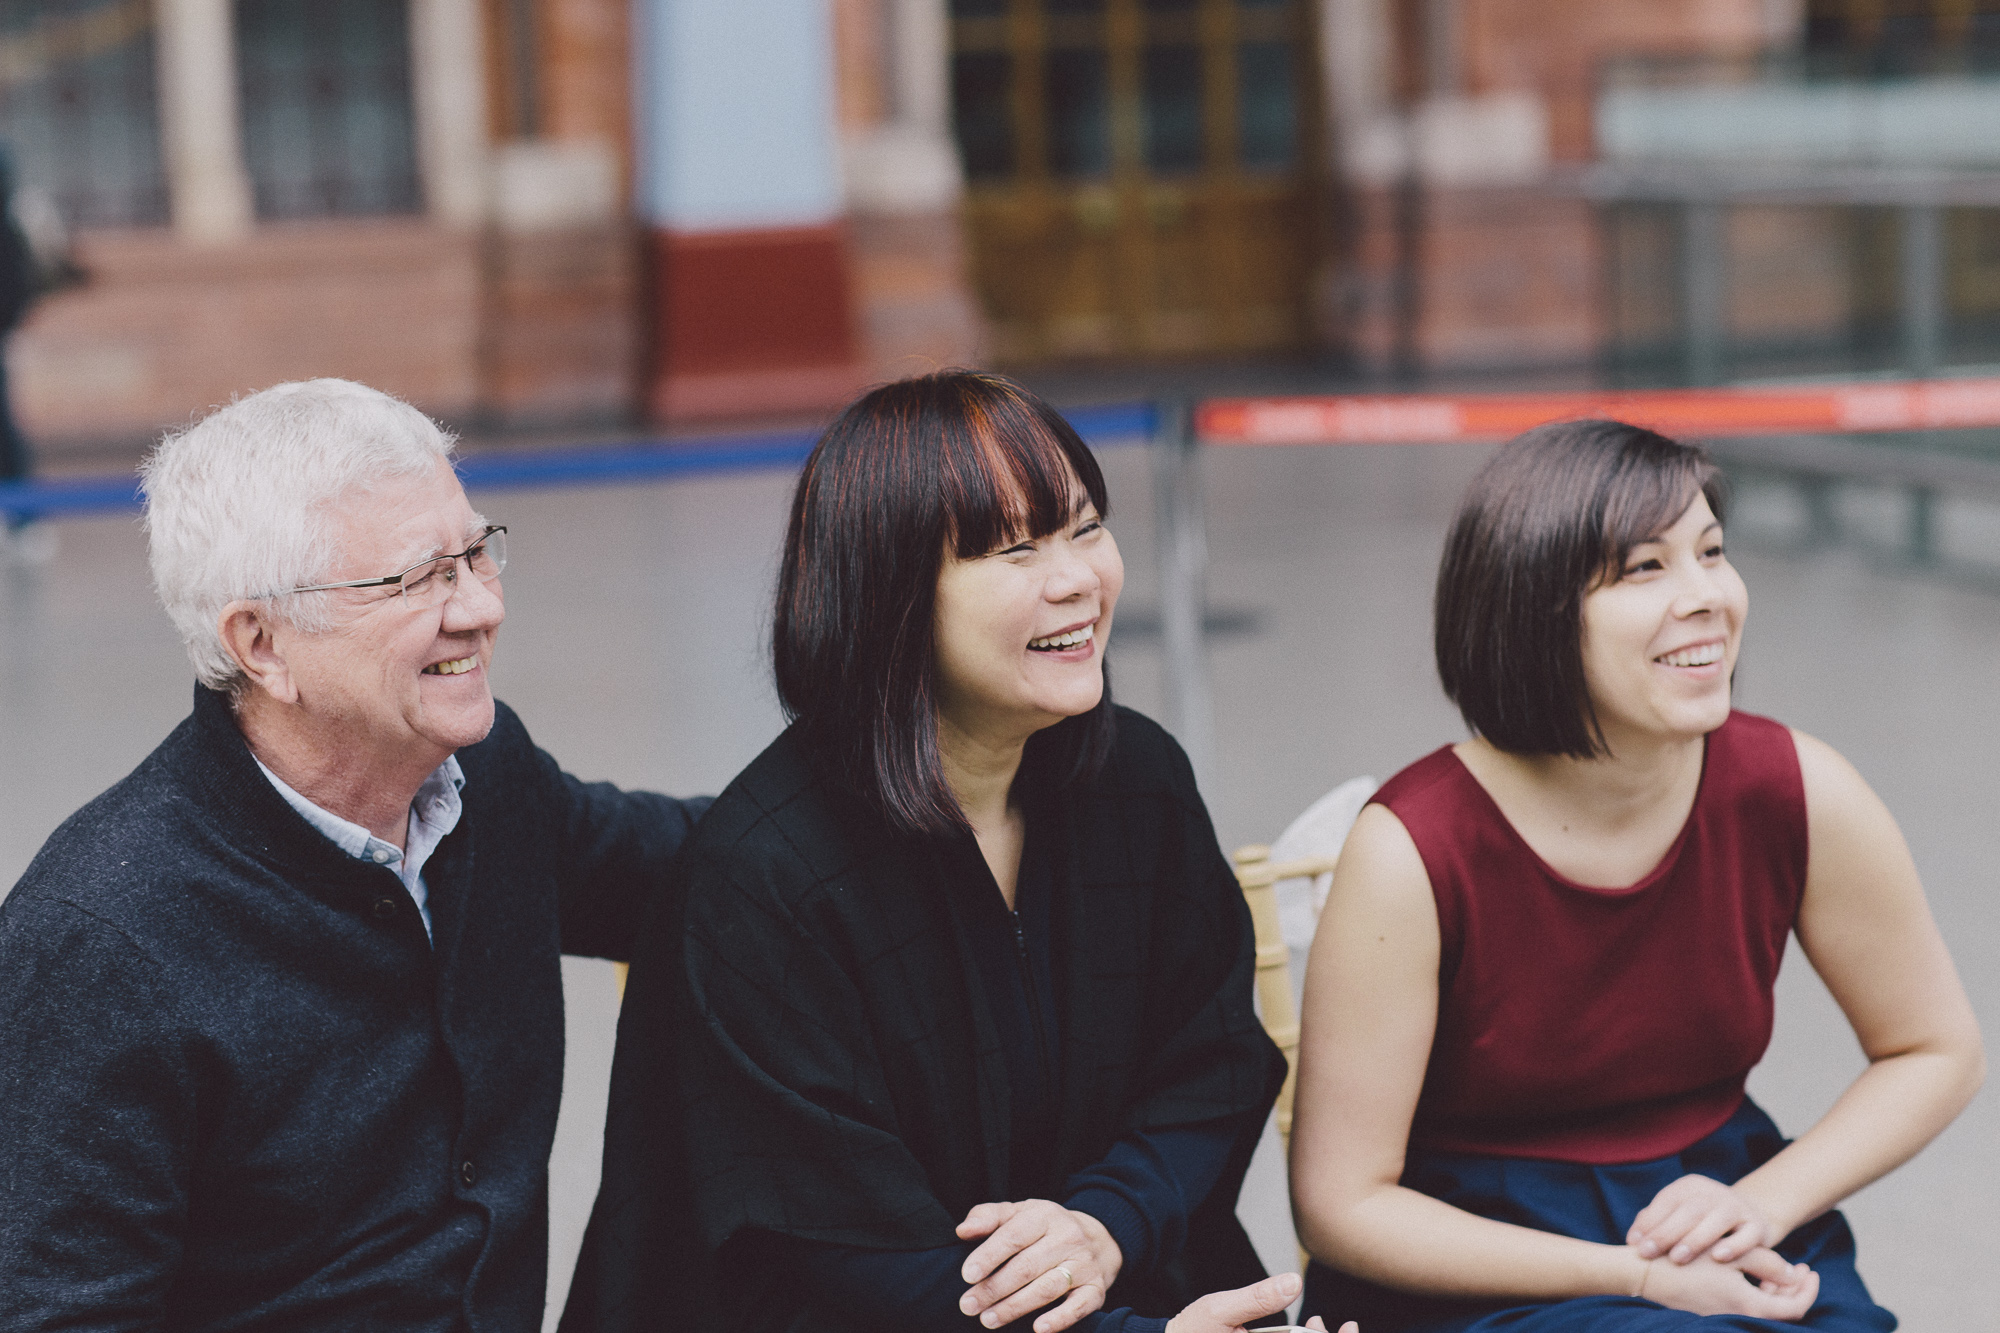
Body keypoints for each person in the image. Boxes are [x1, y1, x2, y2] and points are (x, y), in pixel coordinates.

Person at [563, 371, 1353, 1333]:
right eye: (1015, 549)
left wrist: (1106, 1223)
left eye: (1087, 527)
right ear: (888, 596)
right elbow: (842, 1262)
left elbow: (1214, 1062)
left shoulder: (1135, 780)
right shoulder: (768, 877)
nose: (1077, 579)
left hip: (1126, 1287)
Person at [0, 379, 708, 1331]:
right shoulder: (102, 942)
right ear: (261, 643)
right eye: (418, 579)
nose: (478, 609)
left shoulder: (488, 783)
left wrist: (938, 773)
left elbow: (715, 866)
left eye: (474, 553)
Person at [1288, 419, 1985, 1331]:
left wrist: (1764, 1203)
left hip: (1719, 1212)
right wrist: (1638, 1278)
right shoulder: (1414, 846)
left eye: (1712, 551)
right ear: (1530, 608)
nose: (1707, 597)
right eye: (1645, 569)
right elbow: (1341, 1205)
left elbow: (1936, 1049)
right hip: (1480, 1260)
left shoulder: (1796, 788)